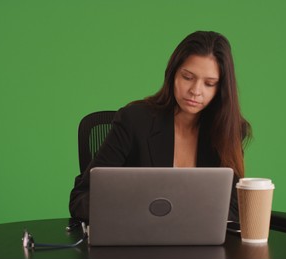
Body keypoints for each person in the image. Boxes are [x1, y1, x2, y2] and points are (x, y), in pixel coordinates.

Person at [69, 31, 251, 222]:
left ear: (221, 89)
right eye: (187, 77)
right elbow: (82, 197)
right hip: (137, 240)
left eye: (209, 83)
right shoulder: (134, 121)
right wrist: (131, 214)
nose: (196, 91)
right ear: (173, 74)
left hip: (199, 246)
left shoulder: (229, 131)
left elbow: (233, 208)